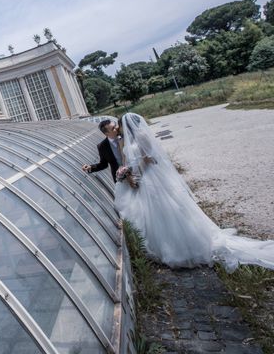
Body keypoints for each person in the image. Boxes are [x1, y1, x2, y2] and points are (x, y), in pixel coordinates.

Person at [114, 112, 274, 270]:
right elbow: (130, 160)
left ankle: (182, 247)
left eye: (120, 125)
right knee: (152, 213)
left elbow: (148, 158)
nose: (119, 128)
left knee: (167, 210)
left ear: (127, 125)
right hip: (140, 176)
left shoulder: (141, 136)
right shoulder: (128, 140)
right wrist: (128, 174)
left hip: (150, 177)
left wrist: (138, 174)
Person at [82, 118, 126, 183]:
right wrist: (91, 167)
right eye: (113, 128)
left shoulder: (125, 136)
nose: (116, 128)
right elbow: (104, 164)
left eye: (115, 125)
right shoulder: (102, 146)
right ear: (106, 134)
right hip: (121, 178)